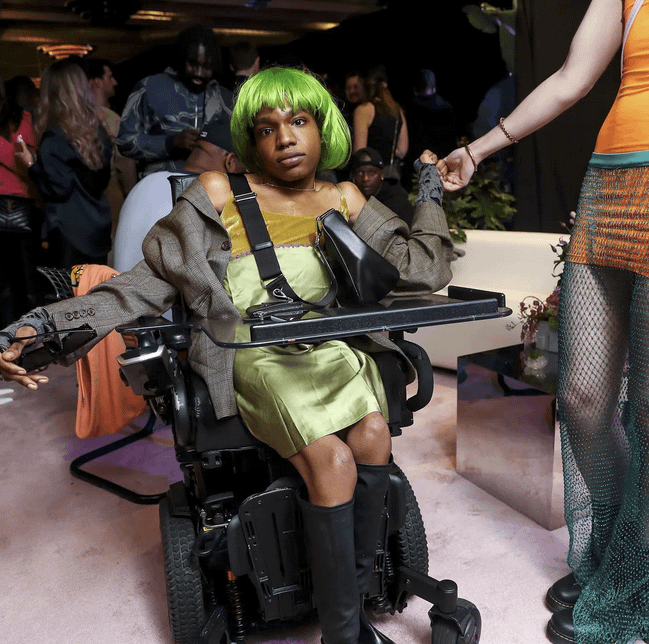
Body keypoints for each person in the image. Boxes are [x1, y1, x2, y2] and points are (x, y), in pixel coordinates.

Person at [0, 66, 452, 644]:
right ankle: (345, 636)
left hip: (332, 348)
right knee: (334, 463)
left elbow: (425, 269)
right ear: (250, 140)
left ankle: (354, 608)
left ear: (323, 128)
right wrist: (40, 327)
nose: (285, 137)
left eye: (299, 121)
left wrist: (432, 189)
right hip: (253, 355)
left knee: (372, 439)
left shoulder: (344, 196)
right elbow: (142, 285)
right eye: (267, 129)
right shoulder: (217, 193)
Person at [442, 2, 649, 644]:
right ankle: (618, 556)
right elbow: (570, 77)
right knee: (583, 397)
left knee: (647, 411)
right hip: (610, 187)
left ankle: (634, 585)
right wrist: (477, 149)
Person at [113, 115, 245, 273]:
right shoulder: (203, 195)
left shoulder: (144, 183)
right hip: (153, 295)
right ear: (230, 162)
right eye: (245, 169)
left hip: (120, 290)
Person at [15, 59, 112, 269]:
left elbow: (57, 189)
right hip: (98, 233)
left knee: (68, 299)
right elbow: (100, 182)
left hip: (69, 235)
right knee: (96, 296)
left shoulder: (54, 138)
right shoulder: (99, 133)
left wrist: (31, 164)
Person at [116, 24, 233, 178]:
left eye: (206, 66)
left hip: (209, 192)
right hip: (160, 187)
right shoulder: (150, 87)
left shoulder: (223, 97)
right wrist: (170, 143)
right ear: (181, 58)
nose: (198, 72)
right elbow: (124, 142)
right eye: (192, 64)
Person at [80, 57, 137, 241]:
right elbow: (125, 164)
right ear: (96, 82)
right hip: (111, 197)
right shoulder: (111, 120)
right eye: (109, 77)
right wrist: (132, 196)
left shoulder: (71, 118)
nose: (115, 82)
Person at [0, 73, 40, 326]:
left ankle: (29, 333)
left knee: (26, 276)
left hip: (20, 203)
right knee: (4, 280)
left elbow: (28, 163)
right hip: (17, 200)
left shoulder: (22, 118)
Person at [353, 65, 408, 183]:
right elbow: (402, 151)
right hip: (392, 178)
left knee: (370, 203)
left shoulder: (363, 110)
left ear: (365, 85)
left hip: (370, 179)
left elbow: (360, 151)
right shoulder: (397, 111)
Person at [349, 147, 414, 225]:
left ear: (382, 174)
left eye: (371, 173)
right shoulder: (348, 200)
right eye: (360, 173)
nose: (365, 178)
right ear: (353, 177)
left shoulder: (398, 203)